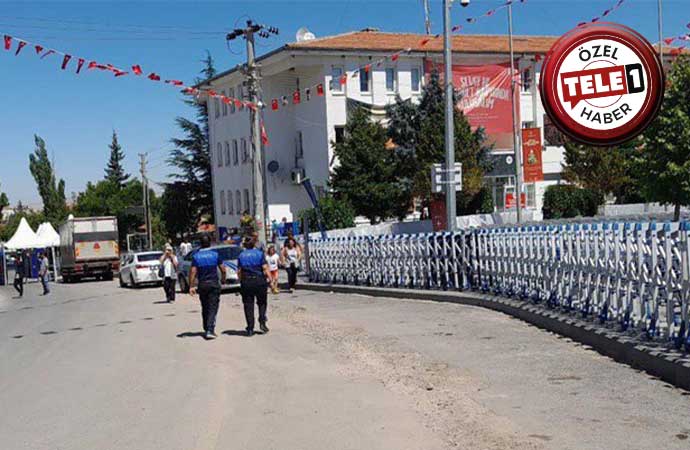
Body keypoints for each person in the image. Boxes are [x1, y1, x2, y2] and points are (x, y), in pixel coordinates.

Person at [188, 235, 226, 340]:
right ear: (210, 243)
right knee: (213, 307)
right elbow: (223, 269)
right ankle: (210, 329)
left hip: (202, 284)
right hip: (213, 283)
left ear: (200, 243)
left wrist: (191, 285)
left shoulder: (196, 256)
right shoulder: (215, 255)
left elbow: (193, 272)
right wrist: (223, 279)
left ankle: (206, 327)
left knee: (205, 306)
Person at [238, 236, 271, 336]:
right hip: (259, 281)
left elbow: (239, 271)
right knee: (262, 303)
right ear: (254, 244)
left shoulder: (241, 255)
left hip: (247, 281)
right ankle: (262, 321)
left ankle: (250, 328)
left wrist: (241, 281)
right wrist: (271, 279)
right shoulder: (259, 254)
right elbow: (265, 268)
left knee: (248, 305)